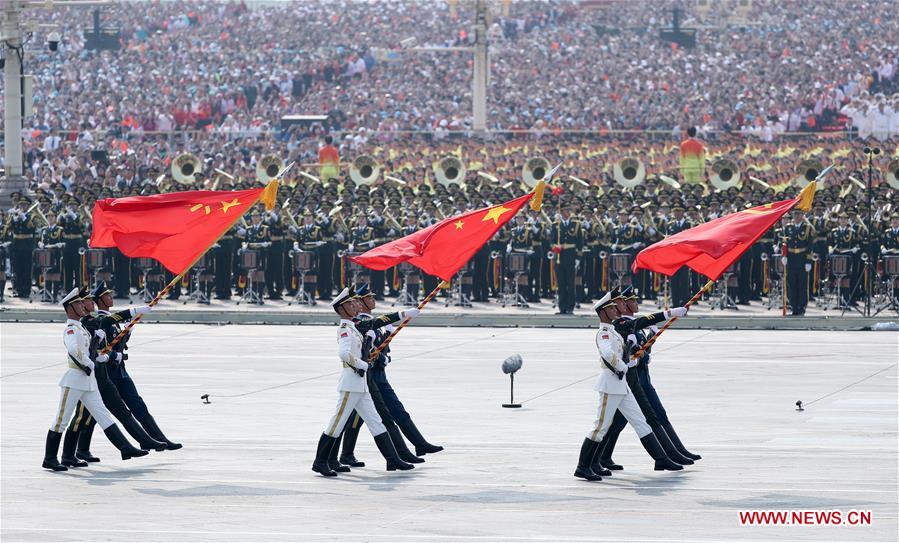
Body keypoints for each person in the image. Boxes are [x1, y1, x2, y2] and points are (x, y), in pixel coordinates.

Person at [573, 289, 682, 482]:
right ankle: (583, 467)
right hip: (610, 384)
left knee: (640, 421)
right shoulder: (604, 333)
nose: (616, 310)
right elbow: (607, 354)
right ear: (603, 312)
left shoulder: (613, 332)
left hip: (621, 385)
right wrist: (624, 365)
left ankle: (661, 459)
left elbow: (619, 351)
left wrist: (629, 353)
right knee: (600, 427)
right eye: (612, 308)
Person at [63, 283, 175, 466]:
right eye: (87, 301)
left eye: (90, 301)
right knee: (79, 419)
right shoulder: (86, 323)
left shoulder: (93, 321)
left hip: (101, 376)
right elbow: (79, 350)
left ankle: (134, 443)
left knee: (109, 413)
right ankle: (67, 454)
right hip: (86, 377)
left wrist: (139, 311)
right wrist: (101, 358)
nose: (89, 304)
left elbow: (112, 321)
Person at [311, 287, 419, 476]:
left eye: (354, 302)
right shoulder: (345, 329)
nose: (355, 305)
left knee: (376, 422)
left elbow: (377, 322)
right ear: (342, 309)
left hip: (360, 385)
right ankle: (320, 462)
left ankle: (393, 460)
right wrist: (362, 364)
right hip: (350, 384)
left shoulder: (355, 326)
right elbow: (344, 354)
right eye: (350, 303)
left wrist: (403, 314)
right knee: (336, 424)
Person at [592, 288, 698, 474]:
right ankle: (589, 464)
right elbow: (614, 352)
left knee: (622, 422)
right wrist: (669, 313)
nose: (624, 305)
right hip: (628, 380)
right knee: (616, 423)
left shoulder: (624, 325)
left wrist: (644, 349)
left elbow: (636, 345)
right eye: (621, 302)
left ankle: (667, 455)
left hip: (635, 379)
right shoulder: (618, 325)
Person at [42, 288, 148, 472]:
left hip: (88, 381)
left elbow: (88, 348)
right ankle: (50, 458)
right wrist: (88, 362)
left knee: (103, 415)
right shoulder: (70, 330)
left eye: (82, 303)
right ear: (70, 308)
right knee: (62, 419)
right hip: (75, 379)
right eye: (77, 304)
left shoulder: (81, 328)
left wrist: (96, 348)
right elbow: (75, 350)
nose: (82, 306)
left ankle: (125, 448)